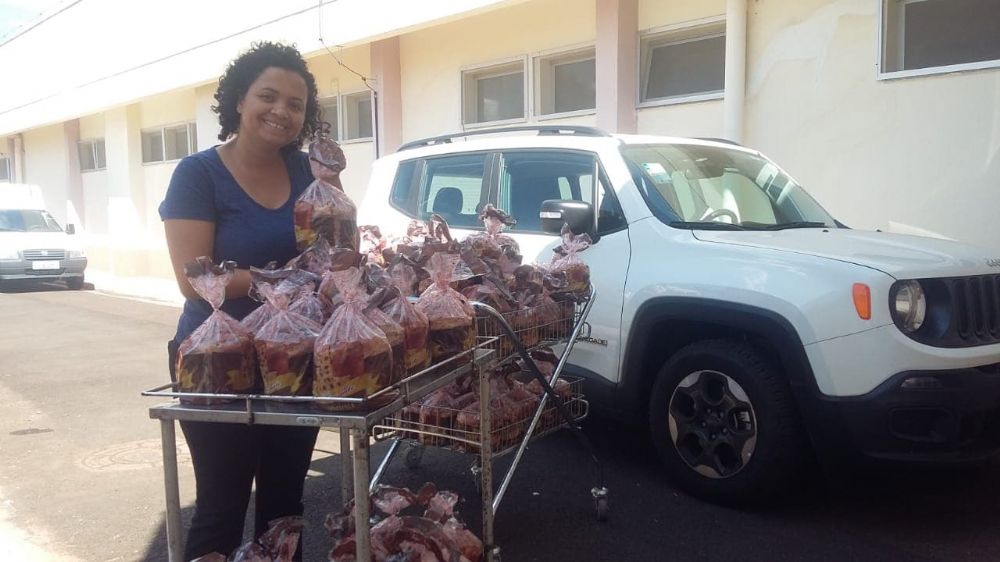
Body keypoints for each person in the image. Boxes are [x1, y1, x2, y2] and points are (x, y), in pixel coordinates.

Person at [158, 41, 343, 560]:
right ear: (239, 100)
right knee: (222, 505)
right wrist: (278, 278)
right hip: (216, 360)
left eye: (295, 104)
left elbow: (329, 258)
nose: (281, 111)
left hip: (293, 358)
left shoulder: (309, 174)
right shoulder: (198, 175)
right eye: (268, 96)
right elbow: (192, 278)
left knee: (285, 504)